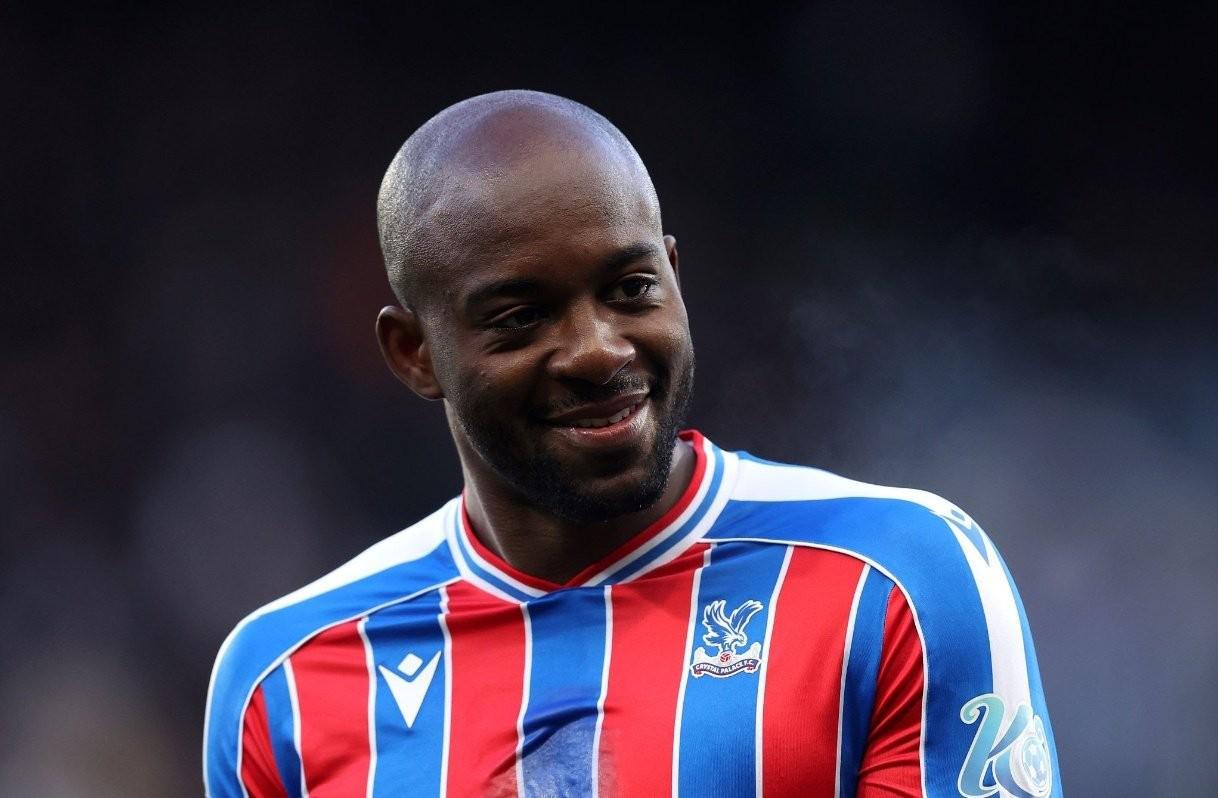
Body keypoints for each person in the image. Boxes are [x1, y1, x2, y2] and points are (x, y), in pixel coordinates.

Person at [204, 90, 1060, 798]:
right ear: (414, 353)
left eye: (630, 288)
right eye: (522, 317)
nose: (598, 350)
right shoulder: (285, 685)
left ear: (674, 278)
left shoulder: (896, 578)